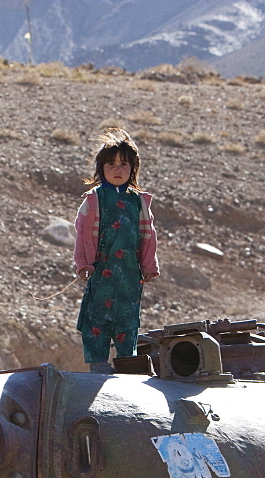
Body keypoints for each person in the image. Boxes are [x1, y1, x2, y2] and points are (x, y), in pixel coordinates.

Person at [72, 128, 160, 373]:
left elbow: (148, 235)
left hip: (130, 273)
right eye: (111, 165)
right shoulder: (94, 200)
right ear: (101, 169)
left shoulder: (139, 201)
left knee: (128, 317)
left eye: (124, 164)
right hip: (101, 269)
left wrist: (149, 265)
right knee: (96, 317)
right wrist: (84, 263)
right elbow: (82, 234)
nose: (118, 170)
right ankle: (98, 364)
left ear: (133, 168)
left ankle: (127, 363)